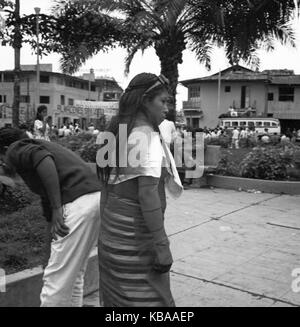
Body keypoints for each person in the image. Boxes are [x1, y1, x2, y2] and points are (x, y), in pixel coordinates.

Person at [97, 73, 183, 307]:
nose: (167, 108)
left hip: (111, 236)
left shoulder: (114, 132)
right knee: (152, 301)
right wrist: (162, 245)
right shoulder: (147, 137)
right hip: (136, 242)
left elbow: (105, 187)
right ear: (146, 100)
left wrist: (102, 234)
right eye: (162, 101)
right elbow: (147, 194)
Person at [0, 127, 101, 307]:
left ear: (5, 148)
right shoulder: (39, 167)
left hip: (77, 202)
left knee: (56, 280)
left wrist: (57, 209)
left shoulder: (16, 147)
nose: (2, 164)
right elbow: (49, 216)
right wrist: (48, 253)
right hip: (94, 199)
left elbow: (43, 159)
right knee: (74, 273)